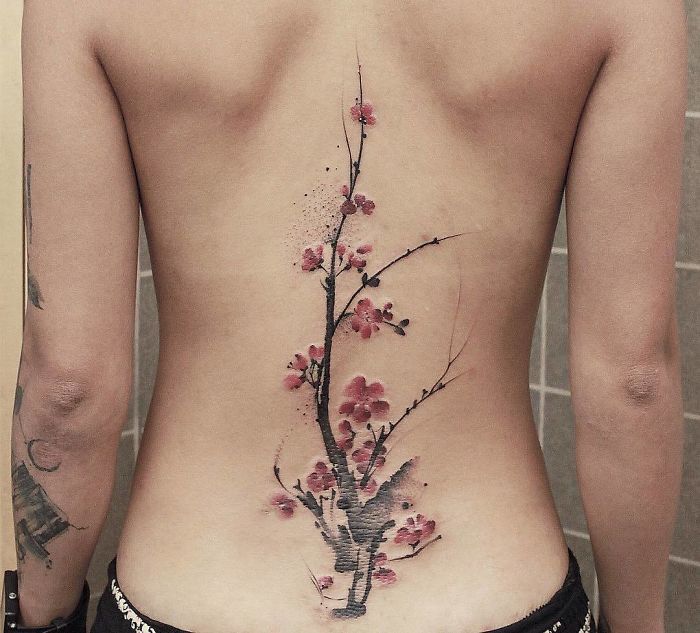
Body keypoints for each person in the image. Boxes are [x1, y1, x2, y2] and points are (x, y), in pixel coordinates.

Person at [6, 1, 687, 632]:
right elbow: (632, 382)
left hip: (194, 589)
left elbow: (68, 387)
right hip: (491, 588)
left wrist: (38, 617)